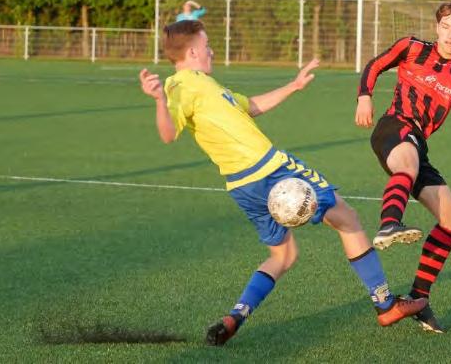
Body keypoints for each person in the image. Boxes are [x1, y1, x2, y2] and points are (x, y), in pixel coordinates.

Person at [139, 20, 427, 346]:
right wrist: (159, 101)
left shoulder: (207, 86)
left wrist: (294, 85)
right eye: (207, 46)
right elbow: (167, 133)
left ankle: (236, 315)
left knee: (283, 256)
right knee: (347, 218)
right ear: (192, 52)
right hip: (271, 168)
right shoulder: (181, 86)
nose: (212, 51)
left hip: (242, 186)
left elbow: (253, 106)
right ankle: (385, 304)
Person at [355, 1, 451, 333]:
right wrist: (364, 95)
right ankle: (388, 224)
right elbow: (375, 64)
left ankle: (418, 299)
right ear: (437, 26)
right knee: (407, 161)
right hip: (394, 127)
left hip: (417, 144)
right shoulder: (411, 47)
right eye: (446, 26)